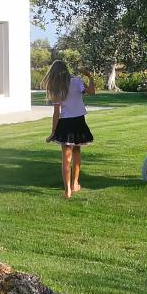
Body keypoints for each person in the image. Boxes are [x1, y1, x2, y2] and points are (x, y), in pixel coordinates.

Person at [42, 59, 95, 198]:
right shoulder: (77, 82)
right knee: (76, 153)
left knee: (66, 157)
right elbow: (92, 92)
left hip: (64, 123)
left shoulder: (55, 87)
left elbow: (56, 113)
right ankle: (75, 184)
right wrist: (90, 77)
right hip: (78, 122)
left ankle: (67, 192)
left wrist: (53, 132)